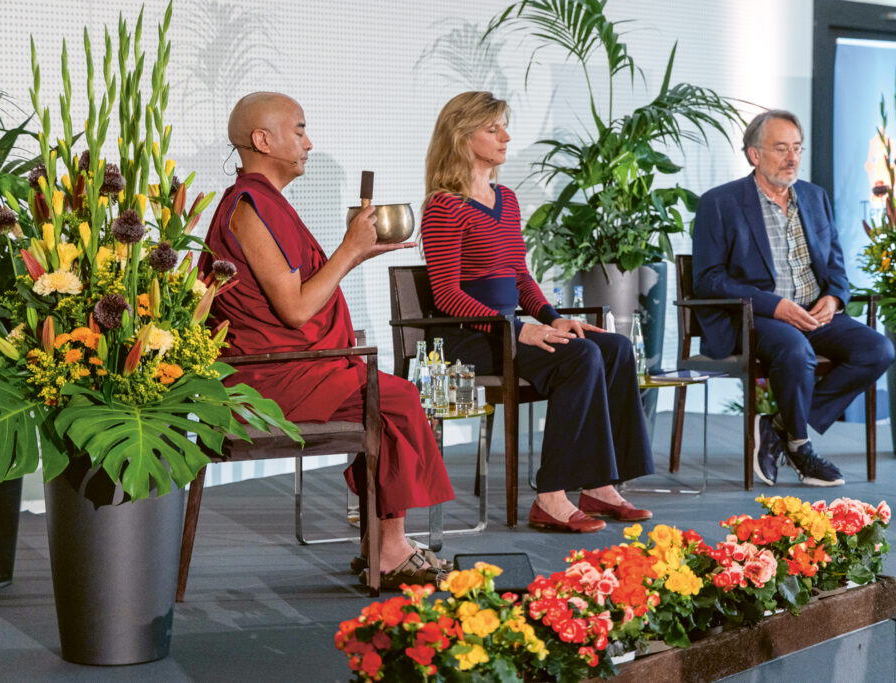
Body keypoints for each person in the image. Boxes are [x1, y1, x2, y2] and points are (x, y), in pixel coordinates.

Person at [201, 92, 455, 589]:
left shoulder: (266, 203)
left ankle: (380, 543)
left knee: (388, 396)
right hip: (266, 378)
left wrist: (356, 255)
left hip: (292, 365)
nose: (308, 142)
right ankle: (391, 547)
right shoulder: (250, 208)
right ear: (263, 140)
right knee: (396, 399)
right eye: (299, 130)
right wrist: (348, 250)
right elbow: (295, 309)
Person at [419, 91, 654, 533]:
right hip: (469, 336)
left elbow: (520, 276)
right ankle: (550, 497)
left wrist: (549, 318)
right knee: (579, 357)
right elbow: (447, 296)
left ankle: (600, 485)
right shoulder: (443, 207)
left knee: (614, 348)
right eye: (493, 129)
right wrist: (513, 329)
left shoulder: (504, 199)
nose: (506, 137)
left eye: (503, 126)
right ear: (462, 136)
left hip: (510, 329)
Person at [692, 109, 895, 487]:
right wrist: (774, 305)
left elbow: (836, 268)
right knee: (795, 349)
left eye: (797, 149)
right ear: (754, 154)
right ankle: (801, 447)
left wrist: (834, 298)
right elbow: (708, 279)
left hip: (814, 314)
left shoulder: (815, 198)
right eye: (781, 148)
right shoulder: (720, 203)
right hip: (759, 317)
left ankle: (779, 425)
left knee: (879, 350)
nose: (792, 158)